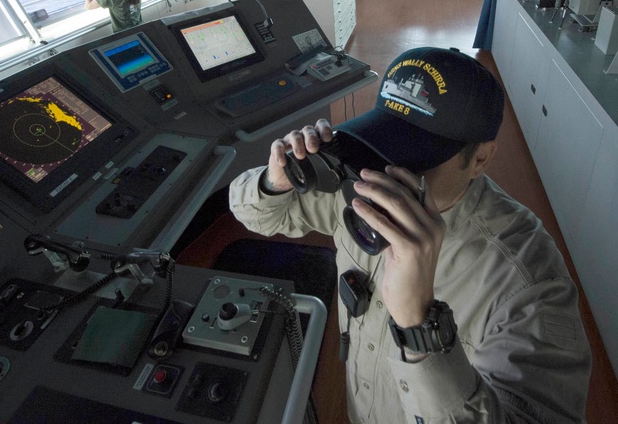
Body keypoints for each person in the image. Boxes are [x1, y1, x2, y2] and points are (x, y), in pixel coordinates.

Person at [228, 47, 591, 423]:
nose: (387, 173)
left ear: (480, 159)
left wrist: (421, 329)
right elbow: (256, 216)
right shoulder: (359, 188)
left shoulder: (528, 281)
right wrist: (277, 180)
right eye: (381, 144)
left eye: (416, 161)